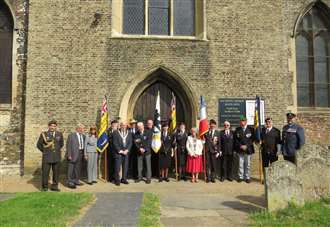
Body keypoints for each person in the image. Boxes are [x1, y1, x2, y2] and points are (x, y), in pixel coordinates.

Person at [36, 120, 64, 191]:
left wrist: (56, 151)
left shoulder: (59, 134)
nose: (52, 127)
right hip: (47, 157)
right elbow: (39, 145)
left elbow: (61, 144)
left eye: (54, 126)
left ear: (56, 127)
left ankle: (54, 186)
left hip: (56, 157)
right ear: (49, 126)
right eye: (51, 126)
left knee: (56, 173)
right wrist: (45, 151)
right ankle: (45, 187)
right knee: (45, 173)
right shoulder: (44, 134)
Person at [234, 116, 255, 183]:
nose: (242, 122)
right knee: (240, 164)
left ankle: (247, 177)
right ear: (240, 122)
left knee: (247, 164)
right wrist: (240, 146)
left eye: (243, 121)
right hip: (240, 149)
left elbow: (252, 139)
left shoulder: (251, 129)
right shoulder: (237, 129)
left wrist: (247, 145)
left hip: (248, 149)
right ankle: (240, 177)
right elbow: (236, 140)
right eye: (241, 121)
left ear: (246, 121)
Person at [112, 121, 133, 186]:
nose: (123, 126)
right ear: (120, 126)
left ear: (126, 126)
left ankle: (124, 179)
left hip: (126, 152)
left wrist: (127, 150)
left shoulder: (129, 133)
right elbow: (114, 143)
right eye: (122, 125)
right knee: (117, 167)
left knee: (125, 166)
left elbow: (130, 142)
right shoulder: (115, 132)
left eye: (125, 125)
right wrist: (120, 150)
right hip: (118, 153)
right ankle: (117, 180)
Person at [66, 123, 85, 189]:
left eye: (83, 128)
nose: (83, 130)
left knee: (78, 168)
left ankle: (76, 181)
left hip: (81, 153)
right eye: (82, 128)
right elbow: (68, 146)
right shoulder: (71, 135)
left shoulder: (83, 136)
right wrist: (69, 155)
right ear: (78, 128)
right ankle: (70, 182)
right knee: (71, 169)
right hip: (73, 154)